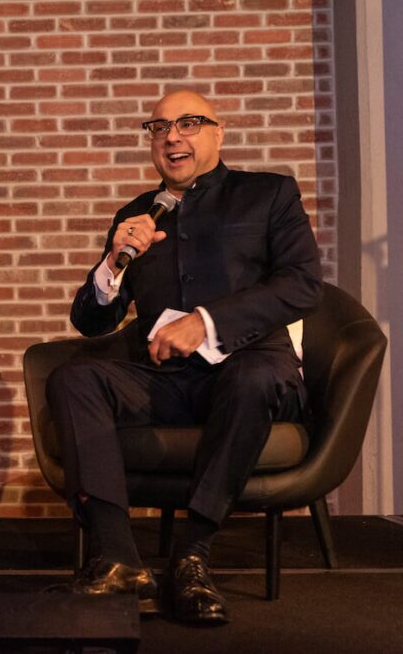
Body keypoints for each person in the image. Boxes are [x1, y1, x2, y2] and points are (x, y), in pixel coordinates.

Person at [46, 90, 322, 625]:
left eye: (190, 123)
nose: (172, 135)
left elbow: (303, 283)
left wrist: (206, 323)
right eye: (160, 127)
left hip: (249, 367)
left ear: (218, 133)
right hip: (166, 381)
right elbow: (91, 322)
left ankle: (193, 556)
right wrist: (111, 265)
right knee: (74, 378)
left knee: (253, 378)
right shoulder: (135, 215)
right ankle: (120, 558)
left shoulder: (268, 195)